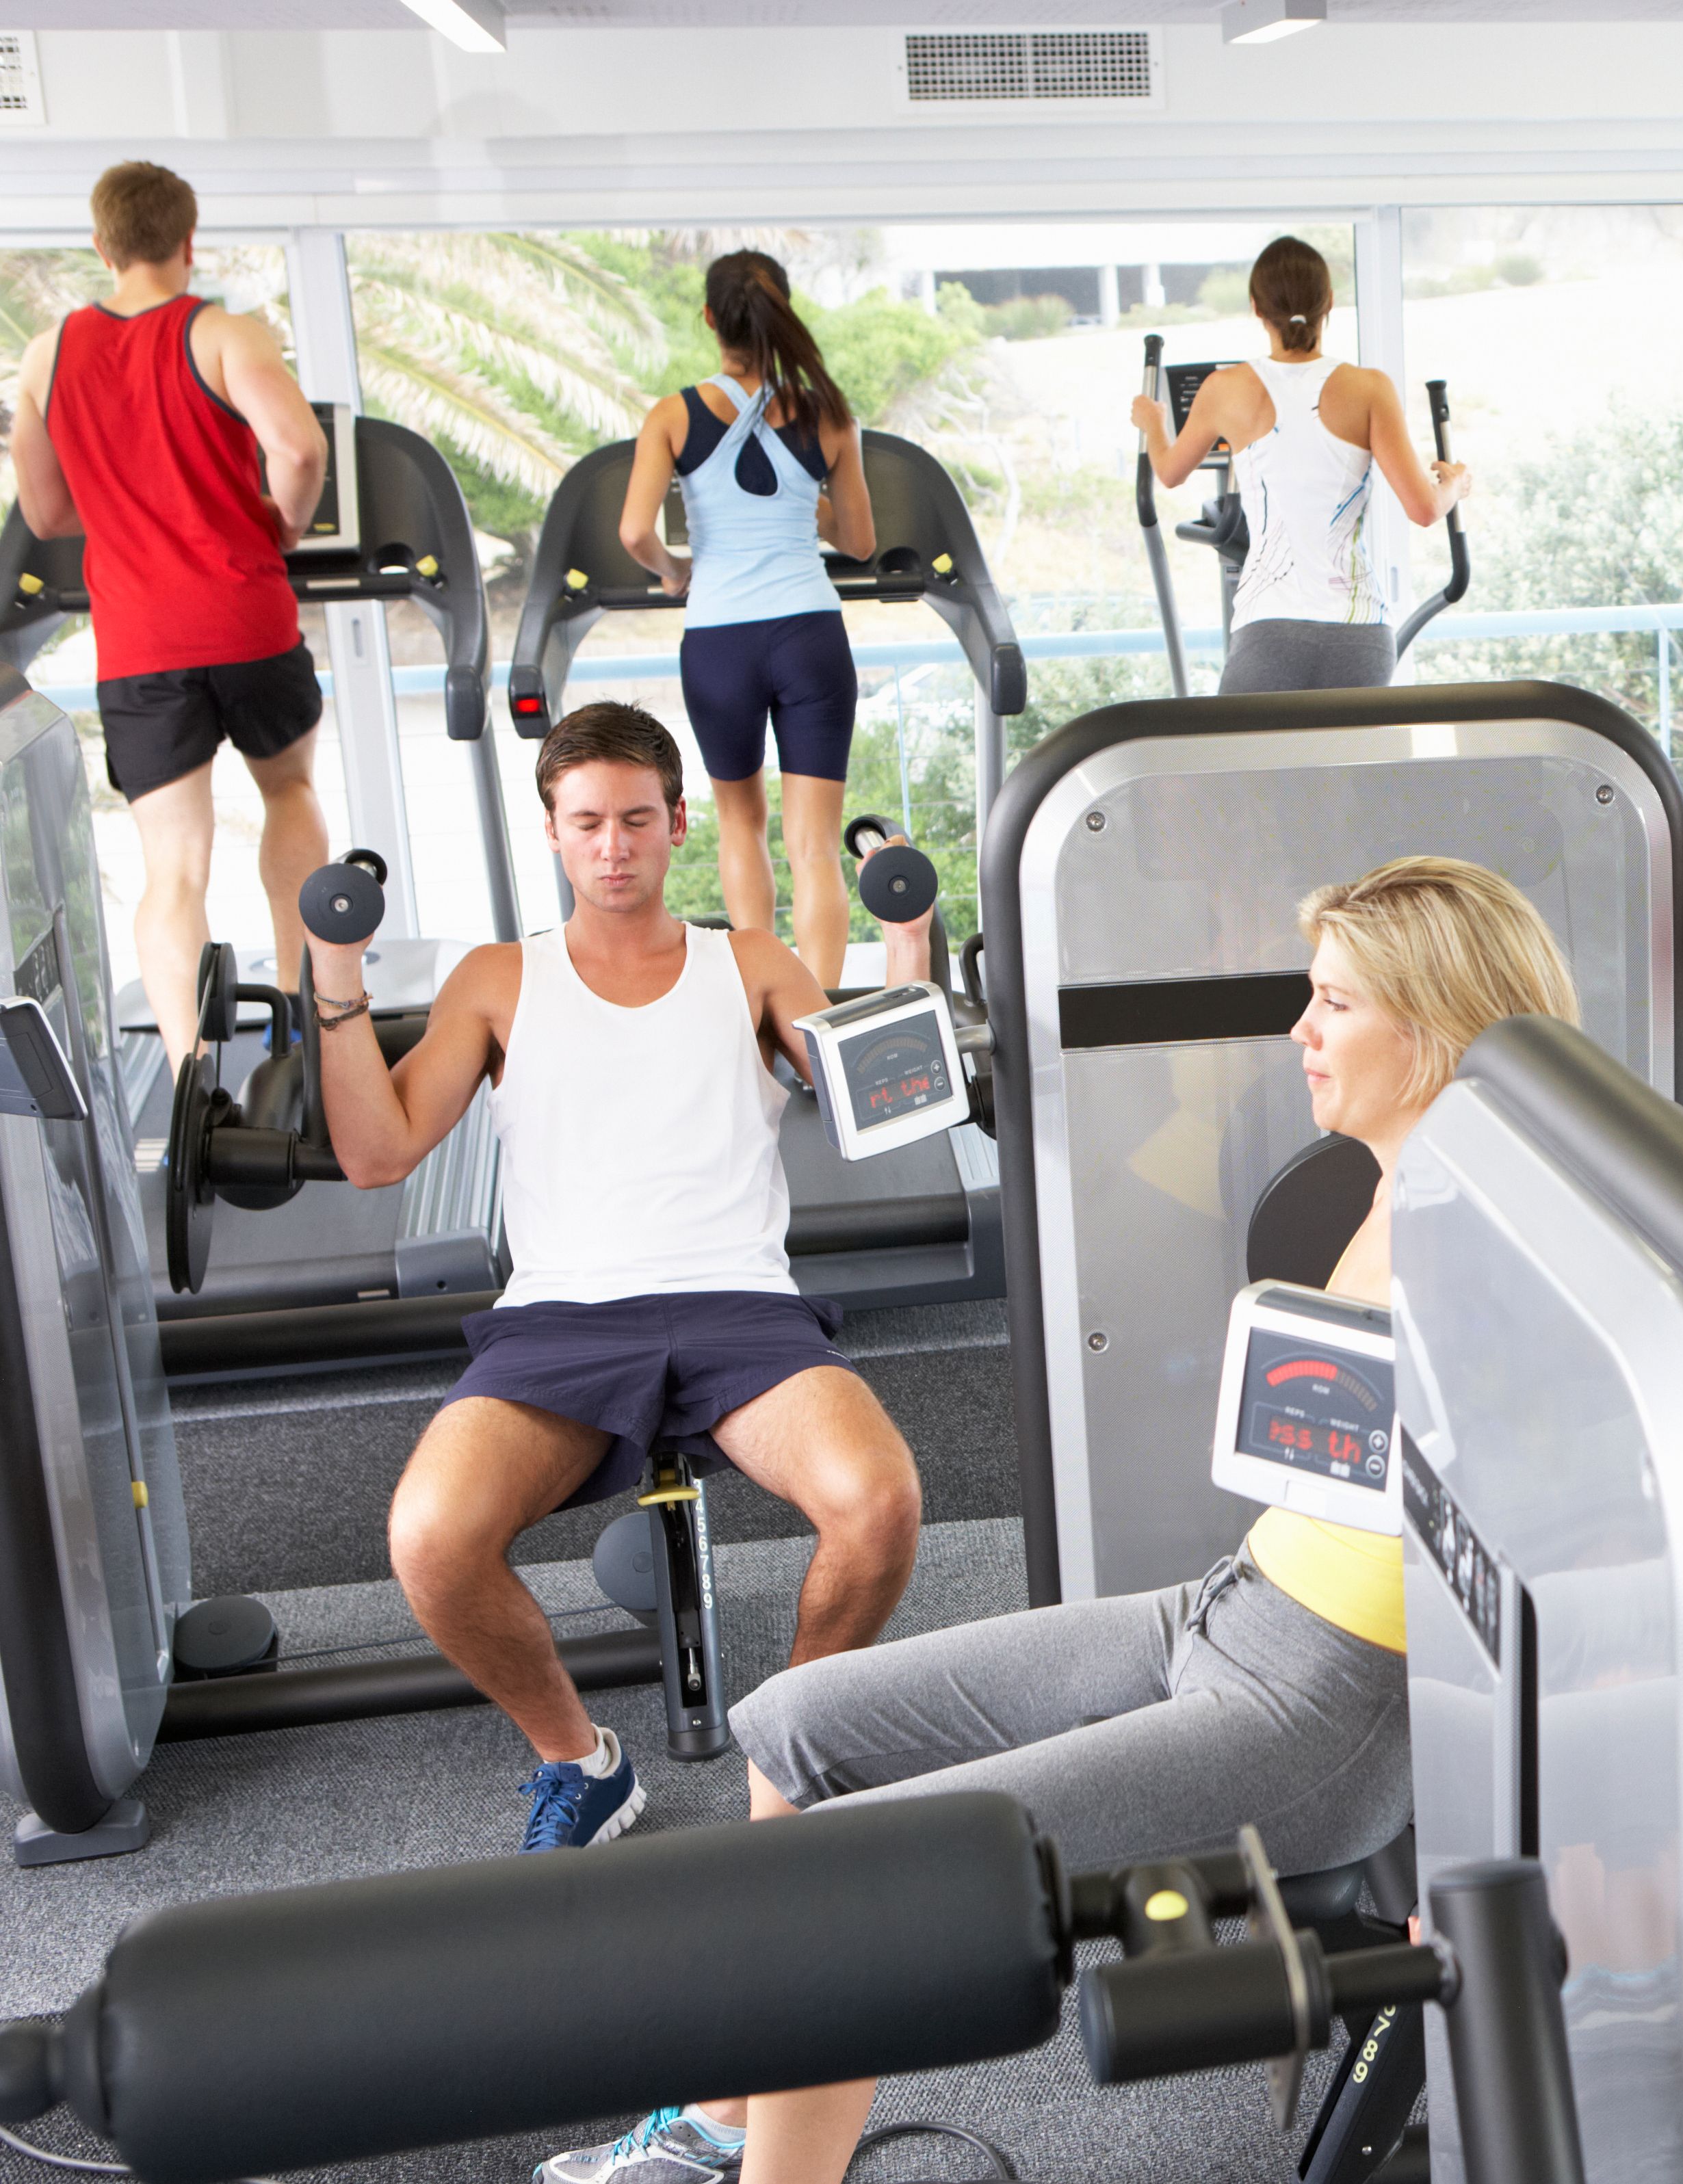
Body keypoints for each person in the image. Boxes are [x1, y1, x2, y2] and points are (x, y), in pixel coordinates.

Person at [534, 856, 1576, 2184]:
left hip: (1313, 1706)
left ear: (1432, 1026)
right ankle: (727, 2122)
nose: (1298, 1034)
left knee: (854, 1878)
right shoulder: (1400, 1176)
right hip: (1228, 1607)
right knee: (795, 1730)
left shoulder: (1485, 1227)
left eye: (1332, 1006)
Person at [305, 702, 929, 1852]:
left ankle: (790, 1755)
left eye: (636, 818)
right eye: (586, 821)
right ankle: (580, 1760)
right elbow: (377, 1150)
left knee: (877, 1500)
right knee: (431, 1537)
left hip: (741, 1305)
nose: (612, 845)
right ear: (552, 832)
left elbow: (880, 1110)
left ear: (677, 823)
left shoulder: (749, 961)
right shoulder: (499, 978)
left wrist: (908, 945)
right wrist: (333, 973)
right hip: (559, 1319)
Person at [9, 160, 328, 1082]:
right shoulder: (224, 333)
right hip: (246, 617)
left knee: (173, 867)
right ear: (189, 242)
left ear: (102, 247)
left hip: (141, 642)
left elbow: (43, 513)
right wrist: (284, 521)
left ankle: (192, 1070)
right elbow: (300, 448)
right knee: (290, 796)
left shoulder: (47, 354)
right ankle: (310, 1025)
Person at [618, 251, 876, 989]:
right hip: (810, 636)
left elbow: (635, 532)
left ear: (709, 319)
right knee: (816, 847)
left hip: (720, 639)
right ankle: (818, 1013)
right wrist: (799, 501)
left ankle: (763, 1004)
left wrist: (677, 573)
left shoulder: (672, 414)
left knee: (741, 824)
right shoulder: (829, 413)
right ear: (784, 312)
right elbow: (859, 541)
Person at [1129, 235, 1467, 695]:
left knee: (1247, 767)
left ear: (1255, 306)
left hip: (1269, 632)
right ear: (1329, 302)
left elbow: (1168, 471)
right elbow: (1426, 509)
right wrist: (1456, 483)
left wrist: (1152, 423)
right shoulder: (1369, 388)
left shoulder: (1224, 388)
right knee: (1346, 770)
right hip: (1359, 635)